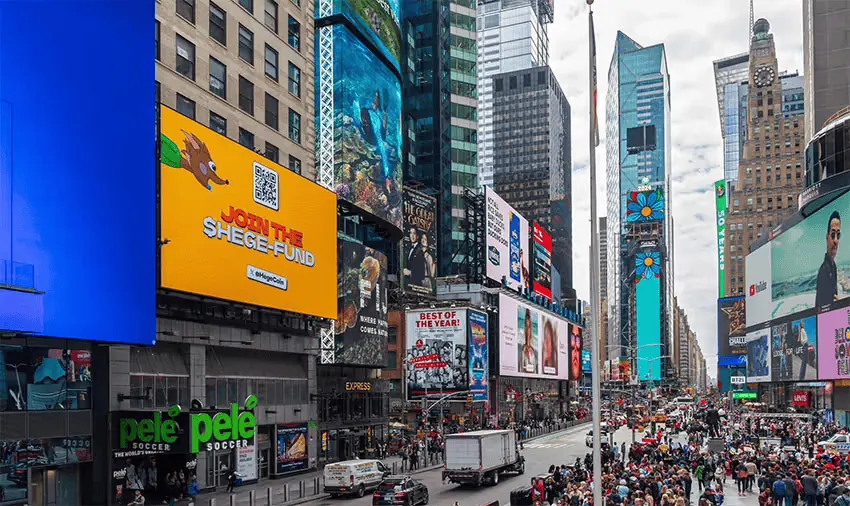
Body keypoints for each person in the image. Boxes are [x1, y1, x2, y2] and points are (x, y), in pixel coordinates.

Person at [816, 210, 841, 308]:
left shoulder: (833, 266)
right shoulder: (824, 271)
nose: (835, 240)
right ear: (827, 237)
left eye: (838, 235)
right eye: (833, 234)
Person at [520, 308, 538, 374]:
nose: (528, 329)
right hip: (527, 349)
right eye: (526, 326)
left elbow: (528, 336)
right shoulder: (524, 349)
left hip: (529, 349)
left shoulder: (530, 350)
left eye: (529, 326)